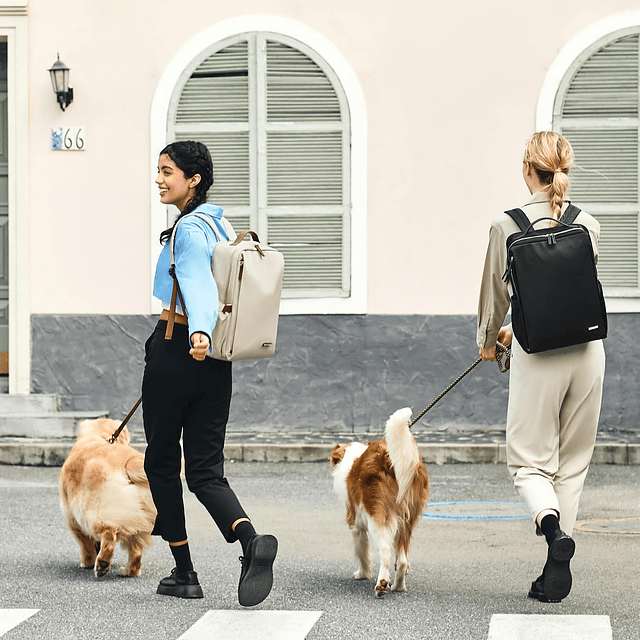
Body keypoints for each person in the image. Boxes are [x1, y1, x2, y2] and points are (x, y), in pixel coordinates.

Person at [142, 140, 277, 605]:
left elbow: (198, 281)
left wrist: (197, 331)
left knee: (160, 461)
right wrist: (208, 338)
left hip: (182, 347)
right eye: (158, 170)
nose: (159, 179)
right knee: (204, 469)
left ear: (192, 179)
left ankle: (184, 573)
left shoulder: (187, 229)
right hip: (219, 362)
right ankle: (249, 539)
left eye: (167, 172)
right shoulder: (221, 223)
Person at [477, 131, 605, 603]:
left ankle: (553, 534)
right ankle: (556, 566)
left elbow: (494, 294)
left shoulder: (505, 224)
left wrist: (491, 342)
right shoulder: (587, 223)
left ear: (527, 169)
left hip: (539, 355)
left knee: (529, 463)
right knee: (573, 464)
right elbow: (571, 296)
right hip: (590, 353)